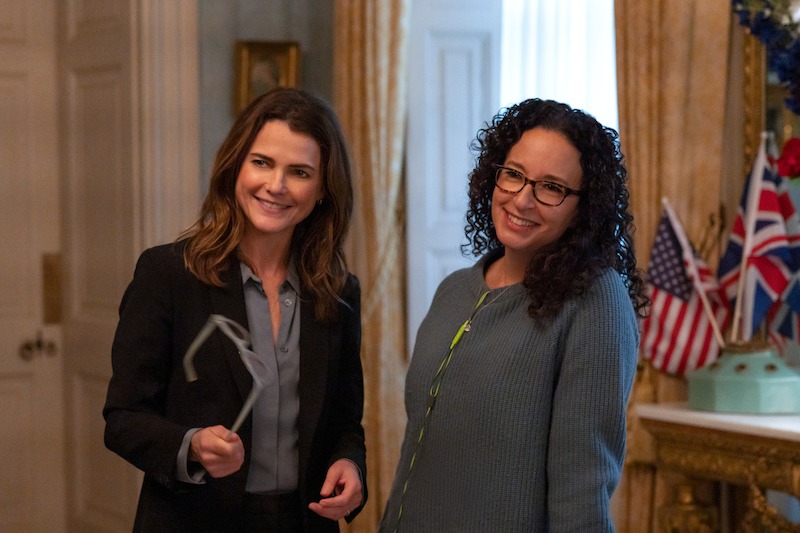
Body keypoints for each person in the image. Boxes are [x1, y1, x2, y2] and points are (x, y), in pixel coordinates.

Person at [103, 87, 367, 532]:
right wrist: (190, 445)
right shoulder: (168, 274)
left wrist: (350, 464)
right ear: (235, 167)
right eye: (262, 162)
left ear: (323, 189)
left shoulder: (338, 293)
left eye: (299, 172)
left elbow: (345, 422)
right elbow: (123, 419)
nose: (276, 186)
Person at [379, 98, 648, 532]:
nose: (523, 199)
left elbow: (582, 491)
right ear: (493, 175)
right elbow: (418, 455)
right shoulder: (454, 291)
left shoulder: (595, 302)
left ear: (584, 207)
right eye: (514, 175)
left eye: (552, 187)